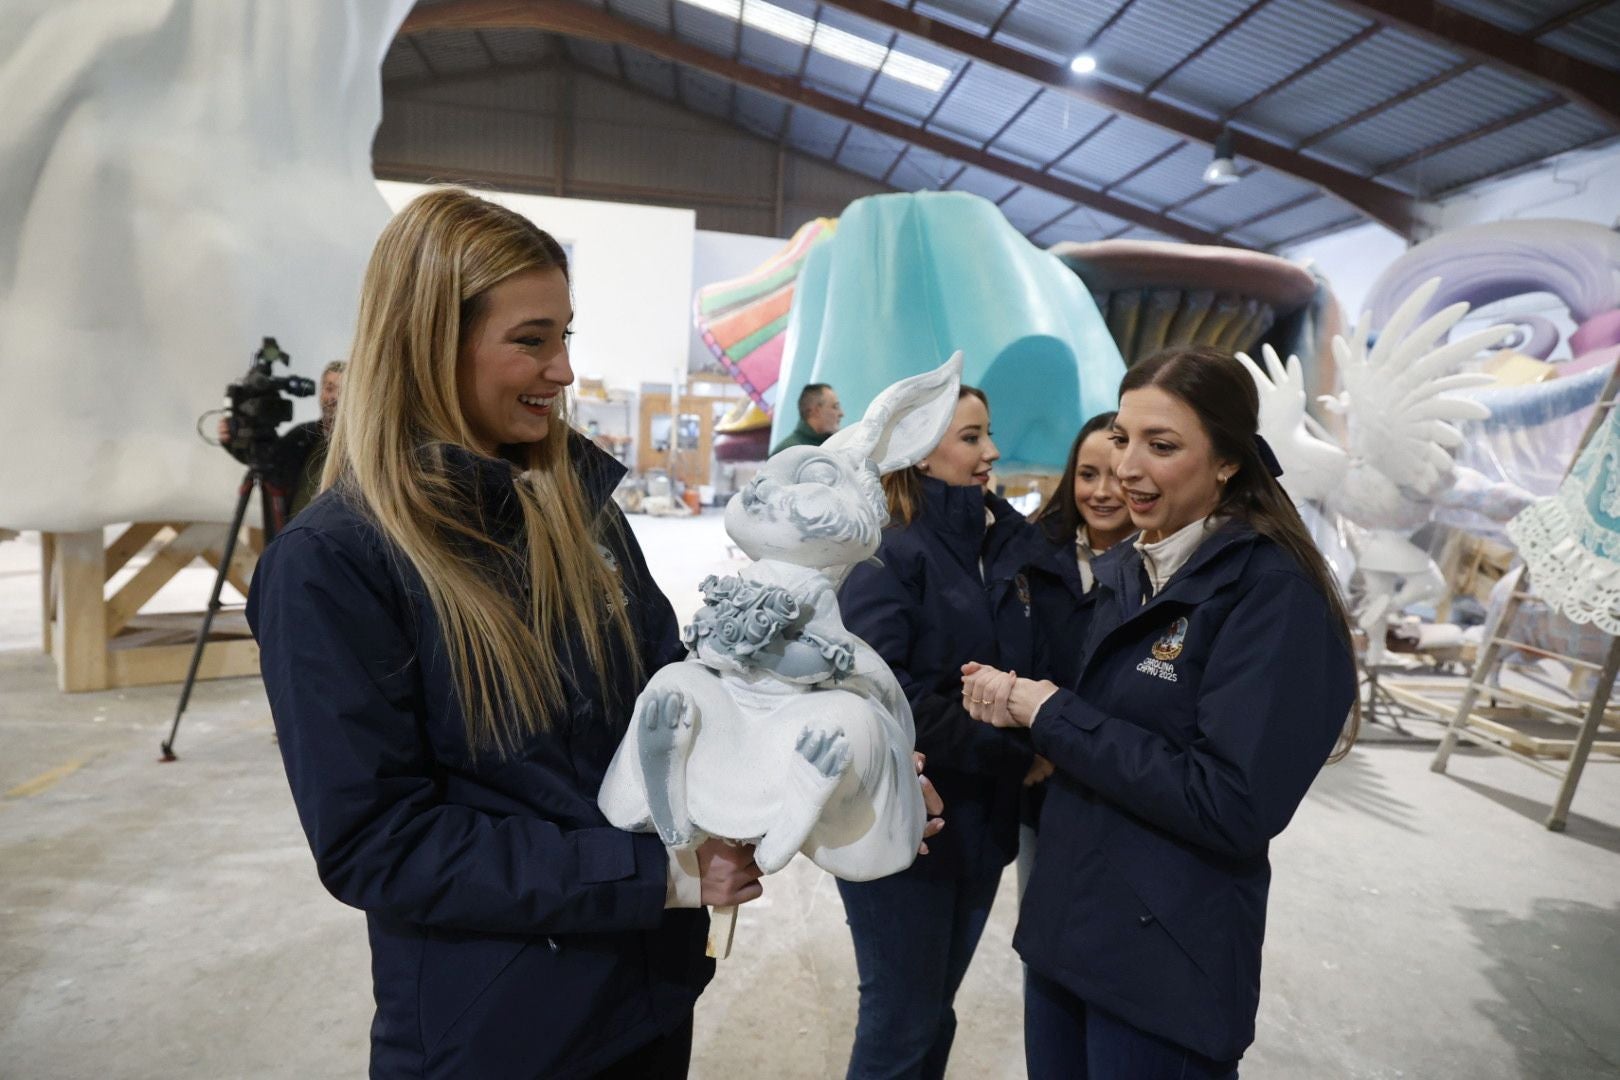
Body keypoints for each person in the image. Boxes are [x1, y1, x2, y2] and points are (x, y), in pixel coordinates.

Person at [245, 188, 768, 1079]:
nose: (563, 370)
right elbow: (380, 844)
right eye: (531, 340)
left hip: (644, 993)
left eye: (564, 336)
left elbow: (668, 696)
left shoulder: (578, 511)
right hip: (502, 1034)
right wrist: (658, 878)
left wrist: (809, 762)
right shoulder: (334, 563)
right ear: (428, 344)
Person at [961, 345, 1359, 1080]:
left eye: (1162, 445)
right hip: (1069, 933)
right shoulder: (1135, 570)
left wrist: (1052, 714)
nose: (1127, 469)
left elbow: (1230, 802)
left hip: (1162, 963)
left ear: (1229, 461)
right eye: (1122, 439)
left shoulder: (1270, 594)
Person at [835, 385, 1045, 1080]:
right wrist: (1023, 752)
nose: (990, 452)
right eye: (971, 437)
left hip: (982, 824)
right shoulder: (888, 555)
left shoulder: (1004, 544)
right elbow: (883, 695)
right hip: (906, 825)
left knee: (934, 1009)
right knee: (900, 1018)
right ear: (919, 452)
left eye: (988, 434)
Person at [1014, 410, 1133, 898]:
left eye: (1118, 476)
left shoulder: (1166, 568)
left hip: (1120, 785)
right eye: (1088, 475)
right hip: (1039, 779)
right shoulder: (1032, 552)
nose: (1102, 492)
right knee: (1040, 921)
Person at [218, 359, 345, 526]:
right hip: (293, 537)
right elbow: (269, 461)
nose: (334, 397)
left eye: (343, 390)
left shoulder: (361, 448)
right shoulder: (303, 435)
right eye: (329, 388)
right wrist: (233, 439)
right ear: (321, 393)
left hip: (334, 542)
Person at [770, 382, 843, 454]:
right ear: (815, 411)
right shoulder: (787, 452)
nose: (841, 413)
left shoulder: (836, 445)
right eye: (835, 407)